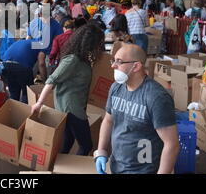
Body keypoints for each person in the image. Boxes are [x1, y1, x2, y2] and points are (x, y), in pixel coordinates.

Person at [95, 44, 180, 174]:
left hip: (145, 170)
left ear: (136, 66)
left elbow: (171, 144)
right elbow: (108, 120)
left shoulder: (156, 97)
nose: (113, 66)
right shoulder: (116, 88)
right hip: (117, 167)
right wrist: (101, 151)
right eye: (114, 60)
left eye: (119, 62)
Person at [31, 24, 105, 155]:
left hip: (71, 107)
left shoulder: (82, 59)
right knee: (86, 145)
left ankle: (58, 167)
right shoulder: (73, 60)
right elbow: (51, 80)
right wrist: (39, 103)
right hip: (71, 109)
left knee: (68, 141)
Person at [1, 39, 47, 103]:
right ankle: (26, 112)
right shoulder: (42, 45)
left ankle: (14, 112)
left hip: (5, 65)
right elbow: (41, 63)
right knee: (28, 94)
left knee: (14, 94)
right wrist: (46, 82)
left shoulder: (25, 41)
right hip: (22, 67)